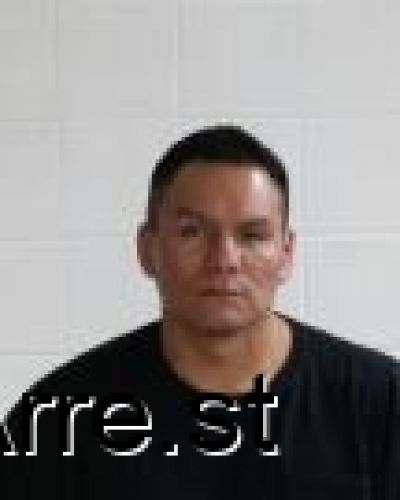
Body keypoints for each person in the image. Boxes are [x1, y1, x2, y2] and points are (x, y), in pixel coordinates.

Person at [1, 124, 399, 499]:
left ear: (286, 253)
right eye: (192, 232)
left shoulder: (380, 403)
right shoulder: (57, 418)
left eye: (252, 235)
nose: (224, 260)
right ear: (147, 249)